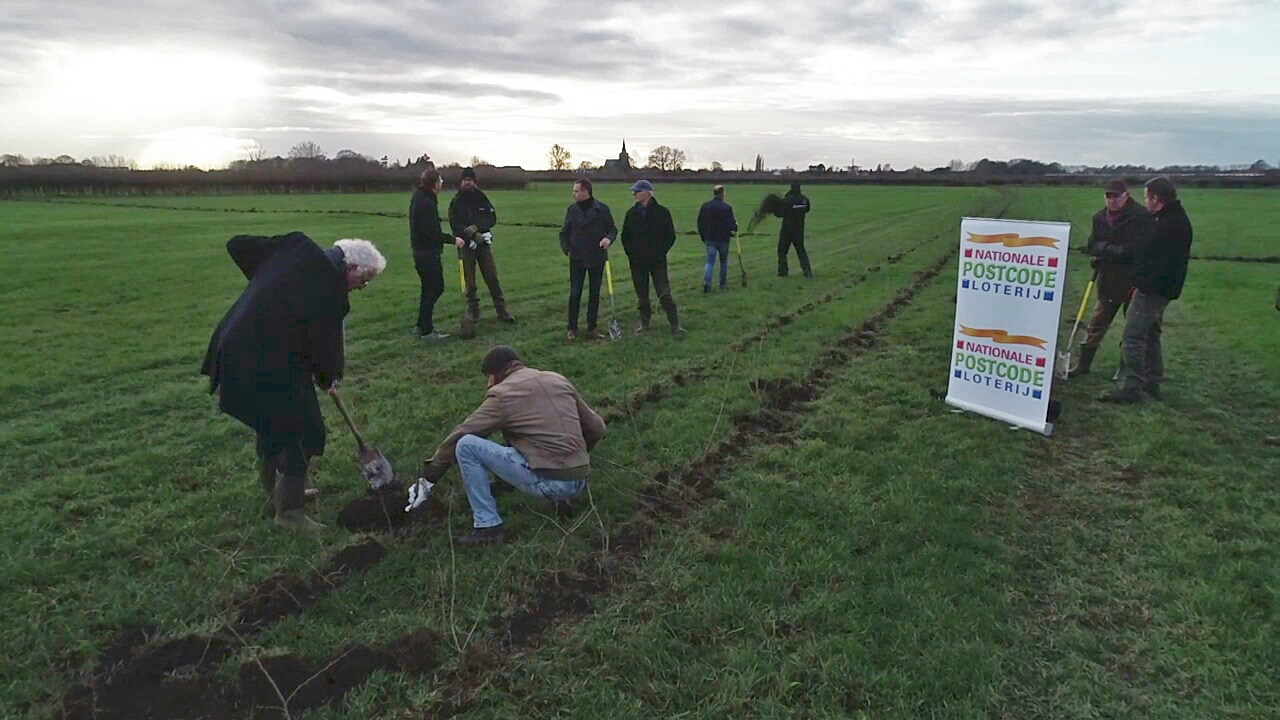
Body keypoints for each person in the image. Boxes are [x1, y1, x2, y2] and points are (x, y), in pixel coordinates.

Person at [201, 232, 387, 530]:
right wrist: (328, 379)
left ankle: (275, 495)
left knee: (271, 423)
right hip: (262, 362)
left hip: (235, 348)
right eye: (363, 282)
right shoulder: (329, 290)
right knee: (305, 431)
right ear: (350, 269)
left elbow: (235, 244)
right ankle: (289, 513)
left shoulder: (295, 248)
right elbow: (324, 352)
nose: (360, 288)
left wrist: (270, 282)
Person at [407, 345, 607, 546]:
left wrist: (430, 476)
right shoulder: (556, 379)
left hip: (551, 483)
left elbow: (462, 433)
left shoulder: (502, 395)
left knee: (466, 445)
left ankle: (488, 526)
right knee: (528, 434)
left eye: (488, 377)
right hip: (579, 479)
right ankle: (558, 497)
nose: (487, 385)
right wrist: (573, 461)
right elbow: (597, 428)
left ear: (497, 374)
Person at [1100, 176, 1193, 403]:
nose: (1145, 202)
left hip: (1152, 290)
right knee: (1151, 335)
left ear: (1155, 198)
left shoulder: (1166, 225)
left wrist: (1139, 284)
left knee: (1133, 336)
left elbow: (1153, 260)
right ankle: (1152, 383)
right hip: (1163, 289)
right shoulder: (1174, 219)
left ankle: (1132, 388)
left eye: (1146, 196)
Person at [1070, 179, 1153, 378]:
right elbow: (1093, 244)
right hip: (1107, 279)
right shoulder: (1099, 218)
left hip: (1135, 281)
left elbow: (1137, 249)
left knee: (1134, 329)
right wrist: (1109, 251)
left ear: (1126, 195)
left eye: (1116, 196)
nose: (1112, 200)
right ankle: (1083, 365)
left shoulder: (1141, 217)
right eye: (1108, 196)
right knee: (1096, 323)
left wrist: (1108, 250)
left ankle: (1127, 370)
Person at [448, 167, 515, 328]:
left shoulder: (481, 198)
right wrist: (468, 233)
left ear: (474, 182)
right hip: (466, 246)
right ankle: (473, 312)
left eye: (469, 180)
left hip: (483, 245)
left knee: (492, 278)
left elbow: (491, 218)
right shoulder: (456, 201)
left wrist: (477, 227)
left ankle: (501, 310)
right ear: (461, 181)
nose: (467, 183)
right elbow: (454, 223)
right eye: (464, 180)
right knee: (470, 282)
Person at [621, 179, 684, 336]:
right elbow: (625, 237)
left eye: (637, 191)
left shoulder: (662, 212)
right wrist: (632, 254)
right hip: (637, 262)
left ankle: (675, 324)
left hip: (657, 262)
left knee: (664, 294)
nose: (634, 194)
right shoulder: (631, 214)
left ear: (647, 193)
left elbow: (670, 236)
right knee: (642, 296)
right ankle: (645, 323)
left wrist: (659, 252)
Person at [410, 169, 466, 339]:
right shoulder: (426, 203)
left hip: (421, 252)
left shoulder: (421, 198)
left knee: (428, 289)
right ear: (434, 183)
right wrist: (454, 239)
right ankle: (426, 330)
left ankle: (421, 326)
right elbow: (432, 233)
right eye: (440, 181)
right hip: (427, 253)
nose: (442, 184)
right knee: (435, 288)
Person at [558, 179, 616, 341]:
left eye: (576, 191)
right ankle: (572, 328)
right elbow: (564, 233)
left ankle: (592, 327)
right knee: (575, 293)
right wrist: (567, 249)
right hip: (576, 257)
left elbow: (612, 230)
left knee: (594, 293)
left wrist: (608, 239)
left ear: (586, 192)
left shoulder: (602, 209)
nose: (573, 194)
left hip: (596, 257)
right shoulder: (572, 210)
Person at [697, 184, 738, 292]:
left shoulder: (705, 206)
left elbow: (700, 223)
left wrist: (703, 236)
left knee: (710, 262)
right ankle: (722, 284)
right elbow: (731, 225)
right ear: (722, 194)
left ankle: (707, 282)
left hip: (710, 238)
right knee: (723, 261)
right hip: (723, 239)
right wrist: (735, 227)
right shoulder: (727, 208)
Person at [775, 179, 812, 278]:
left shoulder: (787, 200)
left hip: (787, 230)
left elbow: (779, 214)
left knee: (782, 251)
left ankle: (783, 272)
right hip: (799, 230)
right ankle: (807, 271)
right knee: (801, 251)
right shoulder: (804, 200)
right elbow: (807, 209)